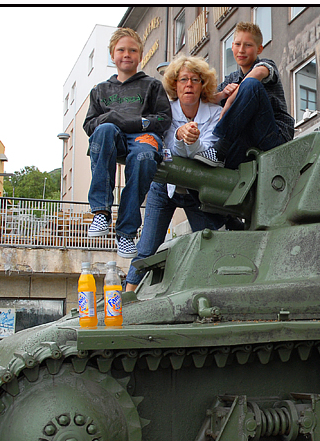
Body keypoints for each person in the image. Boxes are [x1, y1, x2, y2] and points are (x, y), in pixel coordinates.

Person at [124, 56, 226, 291]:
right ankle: (127, 294)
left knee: (209, 240)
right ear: (175, 84)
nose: (188, 84)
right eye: (183, 80)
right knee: (147, 246)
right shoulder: (165, 111)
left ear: (202, 85)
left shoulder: (214, 112)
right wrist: (181, 135)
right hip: (164, 187)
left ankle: (214, 290)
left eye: (194, 79)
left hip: (196, 188)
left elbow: (208, 151)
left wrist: (189, 139)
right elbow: (166, 148)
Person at [83, 28, 171, 258]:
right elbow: (89, 124)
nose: (126, 54)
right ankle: (100, 212)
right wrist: (109, 119)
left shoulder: (152, 85)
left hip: (142, 137)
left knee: (144, 156)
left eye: (132, 50)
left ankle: (126, 233)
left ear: (140, 55)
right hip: (112, 137)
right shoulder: (100, 90)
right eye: (121, 50)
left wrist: (134, 122)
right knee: (104, 130)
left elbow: (163, 118)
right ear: (113, 55)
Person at [194, 21, 295, 170]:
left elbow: (256, 75)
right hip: (244, 141)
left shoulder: (267, 65)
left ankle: (219, 149)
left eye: (248, 45)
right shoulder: (231, 79)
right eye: (237, 44)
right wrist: (223, 95)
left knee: (251, 86)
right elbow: (205, 100)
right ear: (232, 46)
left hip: (273, 136)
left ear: (259, 49)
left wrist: (230, 100)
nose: (241, 50)